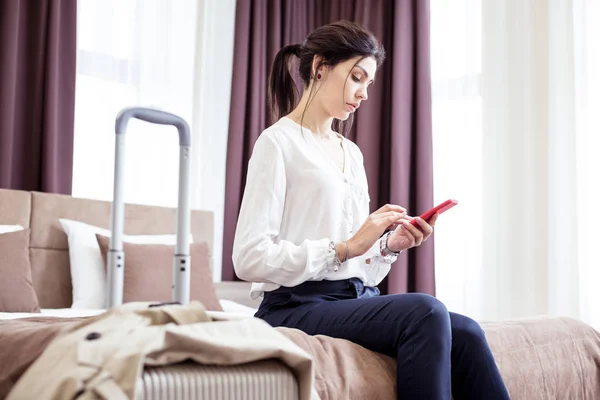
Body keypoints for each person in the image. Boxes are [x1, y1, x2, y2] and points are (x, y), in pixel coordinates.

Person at [232, 20, 510, 400]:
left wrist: (388, 247)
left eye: (369, 84)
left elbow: (356, 265)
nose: (363, 93)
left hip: (352, 297)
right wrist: (343, 247)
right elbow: (248, 258)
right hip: (292, 306)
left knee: (466, 333)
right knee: (426, 312)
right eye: (357, 77)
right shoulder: (277, 143)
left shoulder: (351, 153)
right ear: (320, 67)